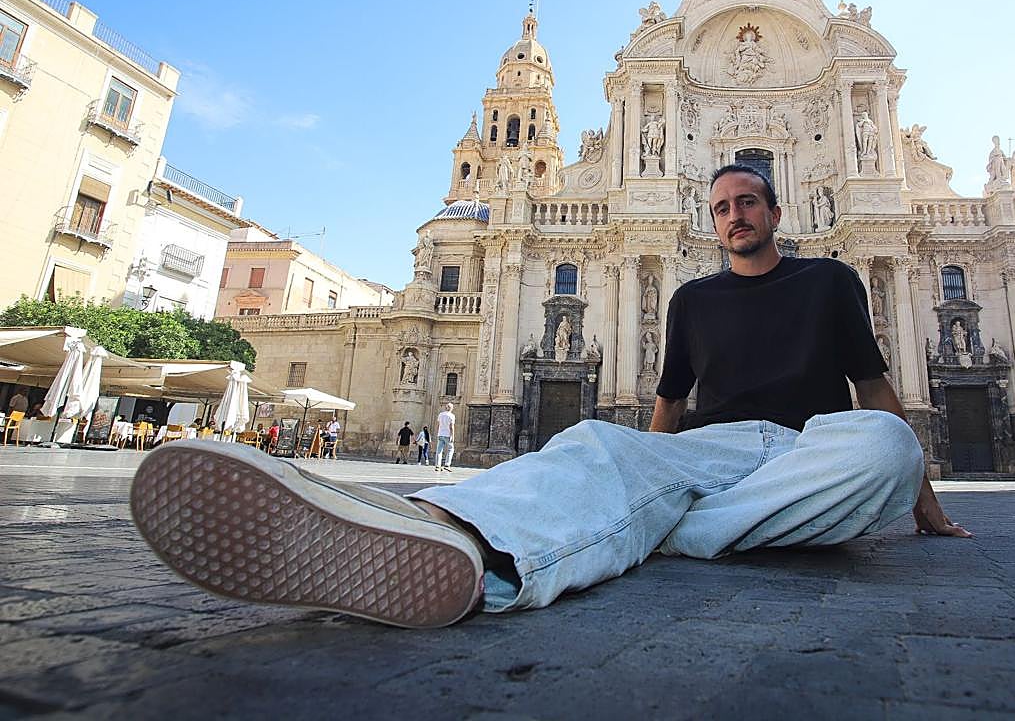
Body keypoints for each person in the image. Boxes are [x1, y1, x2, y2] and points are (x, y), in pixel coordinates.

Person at [128, 164, 968, 630]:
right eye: (721, 208)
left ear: (777, 209)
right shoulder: (689, 300)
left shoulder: (829, 281)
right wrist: (650, 447)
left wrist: (922, 501)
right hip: (704, 456)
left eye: (748, 201)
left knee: (886, 448)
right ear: (709, 222)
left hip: (801, 453)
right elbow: (667, 401)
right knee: (596, 447)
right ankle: (448, 539)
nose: (734, 216)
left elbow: (876, 391)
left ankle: (644, 528)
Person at [434, 403, 455, 472]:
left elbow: (438, 424)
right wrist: (452, 436)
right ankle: (447, 465)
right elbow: (451, 427)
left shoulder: (441, 414)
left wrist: (438, 433)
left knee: (439, 450)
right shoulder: (451, 416)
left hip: (440, 434)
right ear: (451, 408)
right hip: (447, 435)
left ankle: (437, 466)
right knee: (450, 449)